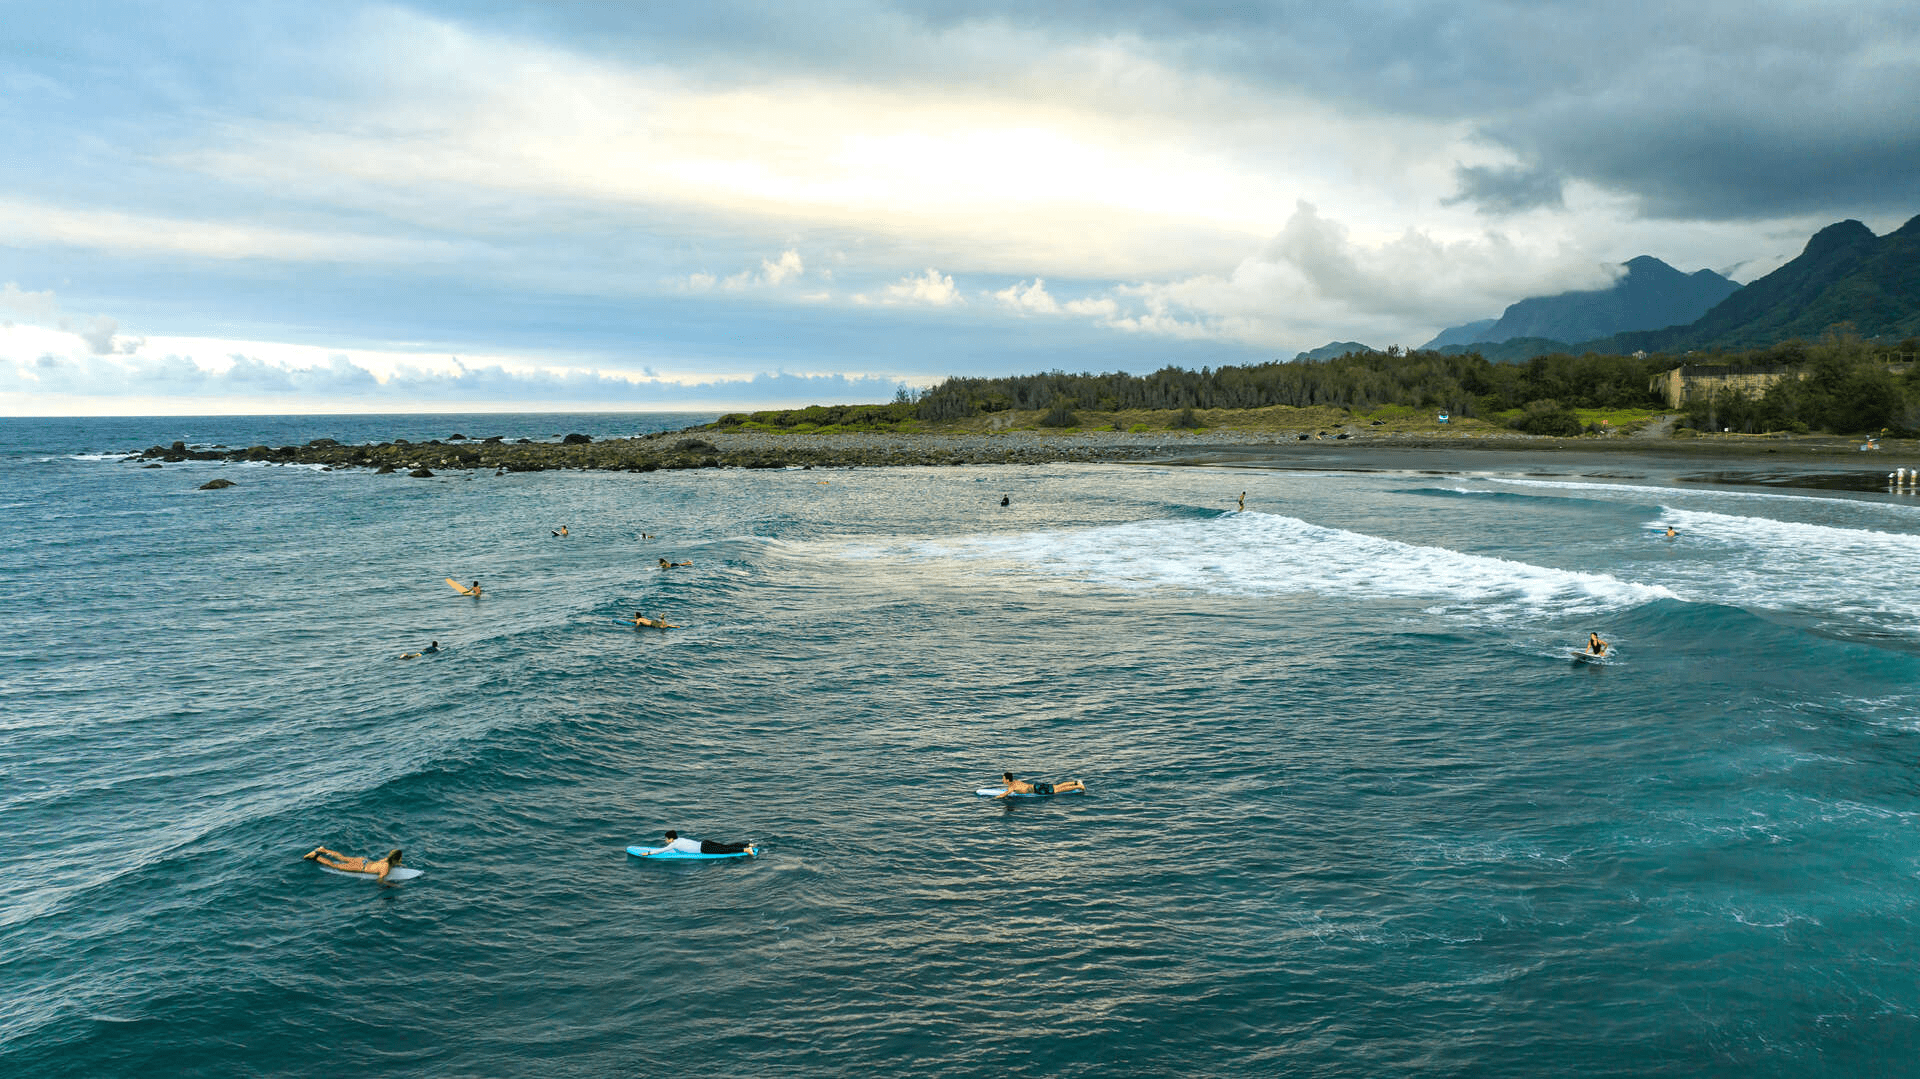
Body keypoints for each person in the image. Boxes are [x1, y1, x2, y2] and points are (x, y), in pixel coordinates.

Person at [304, 846, 403, 881]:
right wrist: (391, 884)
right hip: (360, 867)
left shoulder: (387, 859)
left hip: (363, 860)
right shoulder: (385, 868)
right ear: (395, 859)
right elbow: (380, 880)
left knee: (342, 858)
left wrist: (399, 864)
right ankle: (314, 856)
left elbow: (391, 862)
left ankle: (323, 850)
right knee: (335, 866)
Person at [657, 830, 755, 855]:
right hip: (704, 843)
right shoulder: (680, 839)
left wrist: (649, 853)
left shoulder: (674, 844)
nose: (666, 840)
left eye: (666, 838)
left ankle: (746, 850)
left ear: (671, 839)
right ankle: (747, 844)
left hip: (704, 849)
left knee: (725, 850)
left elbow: (661, 850)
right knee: (725, 846)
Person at [997, 771, 1087, 797]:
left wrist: (994, 798)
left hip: (1037, 789)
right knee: (1057, 786)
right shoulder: (1015, 781)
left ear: (1007, 780)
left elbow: (1004, 795)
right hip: (1036, 785)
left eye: (1003, 778)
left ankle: (1079, 786)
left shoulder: (1012, 787)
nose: (1002, 780)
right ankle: (1076, 782)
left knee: (1057, 790)